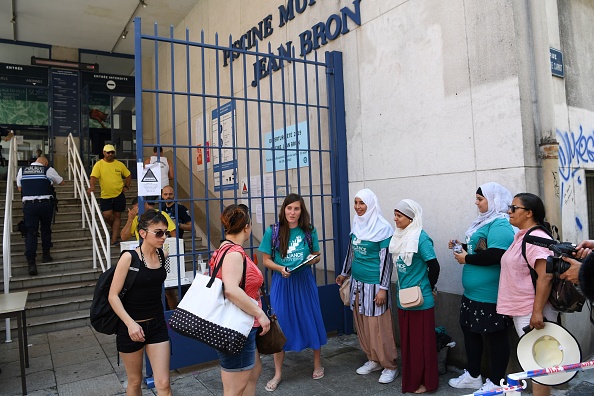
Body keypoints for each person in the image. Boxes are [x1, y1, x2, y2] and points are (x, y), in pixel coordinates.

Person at [447, 182, 515, 393]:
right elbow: (480, 248)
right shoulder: (484, 222)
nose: (476, 203)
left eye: (480, 199)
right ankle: (473, 376)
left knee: (496, 337)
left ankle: (496, 384)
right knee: (470, 332)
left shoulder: (500, 224)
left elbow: (497, 254)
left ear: (494, 200)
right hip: (473, 294)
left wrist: (467, 259)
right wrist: (464, 246)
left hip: (490, 295)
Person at [259, 193, 327, 392]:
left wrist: (313, 260)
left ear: (301, 211)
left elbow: (316, 255)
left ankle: (317, 364)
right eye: (289, 208)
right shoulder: (272, 232)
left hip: (303, 282)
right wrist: (280, 269)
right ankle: (278, 373)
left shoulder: (308, 230)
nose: (292, 212)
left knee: (310, 318)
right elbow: (265, 260)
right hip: (282, 282)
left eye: (296, 209)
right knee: (280, 324)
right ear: (284, 209)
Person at [336, 189, 399, 384]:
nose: (358, 207)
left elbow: (386, 262)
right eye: (355, 202)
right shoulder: (357, 224)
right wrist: (344, 273)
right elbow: (351, 252)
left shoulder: (383, 228)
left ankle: (390, 365)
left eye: (362, 203)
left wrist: (383, 288)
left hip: (375, 286)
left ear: (371, 204)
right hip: (357, 284)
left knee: (379, 327)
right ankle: (373, 359)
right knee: (362, 324)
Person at [497, 193, 556, 396]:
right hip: (523, 311)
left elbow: (546, 276)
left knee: (539, 363)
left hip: (531, 312)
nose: (509, 211)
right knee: (535, 362)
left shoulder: (536, 238)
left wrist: (537, 312)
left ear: (529, 213)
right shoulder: (523, 236)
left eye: (514, 208)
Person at [108, 210, 172, 396]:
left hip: (157, 324)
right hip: (131, 327)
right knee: (135, 382)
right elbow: (113, 295)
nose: (163, 237)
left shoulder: (162, 255)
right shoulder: (129, 258)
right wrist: (130, 324)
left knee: (164, 383)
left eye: (165, 232)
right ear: (143, 233)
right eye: (158, 232)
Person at [210, 204, 270, 396]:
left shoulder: (224, 248)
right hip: (238, 326)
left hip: (239, 324)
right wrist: (259, 313)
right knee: (235, 388)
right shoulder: (234, 254)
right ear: (246, 227)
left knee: (251, 373)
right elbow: (231, 290)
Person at [390, 199, 439, 394]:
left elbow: (434, 266)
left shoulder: (421, 237)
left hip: (420, 300)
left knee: (422, 345)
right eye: (395, 214)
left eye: (399, 215)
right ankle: (412, 379)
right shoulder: (399, 236)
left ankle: (427, 382)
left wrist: (430, 287)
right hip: (403, 298)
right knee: (409, 344)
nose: (395, 219)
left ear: (411, 218)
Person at [16, 156, 65, 275]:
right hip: (45, 204)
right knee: (45, 230)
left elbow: (19, 188)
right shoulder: (47, 170)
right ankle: (46, 255)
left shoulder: (22, 170)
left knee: (31, 232)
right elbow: (62, 182)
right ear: (45, 163)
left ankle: (31, 262)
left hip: (29, 206)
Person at [87, 144, 132, 246]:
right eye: (108, 152)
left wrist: (127, 186)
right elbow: (93, 177)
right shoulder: (99, 164)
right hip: (106, 196)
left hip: (119, 195)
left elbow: (128, 175)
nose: (110, 154)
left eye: (112, 152)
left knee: (117, 216)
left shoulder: (119, 164)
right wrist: (92, 186)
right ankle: (114, 229)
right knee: (106, 215)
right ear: (104, 153)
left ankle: (114, 239)